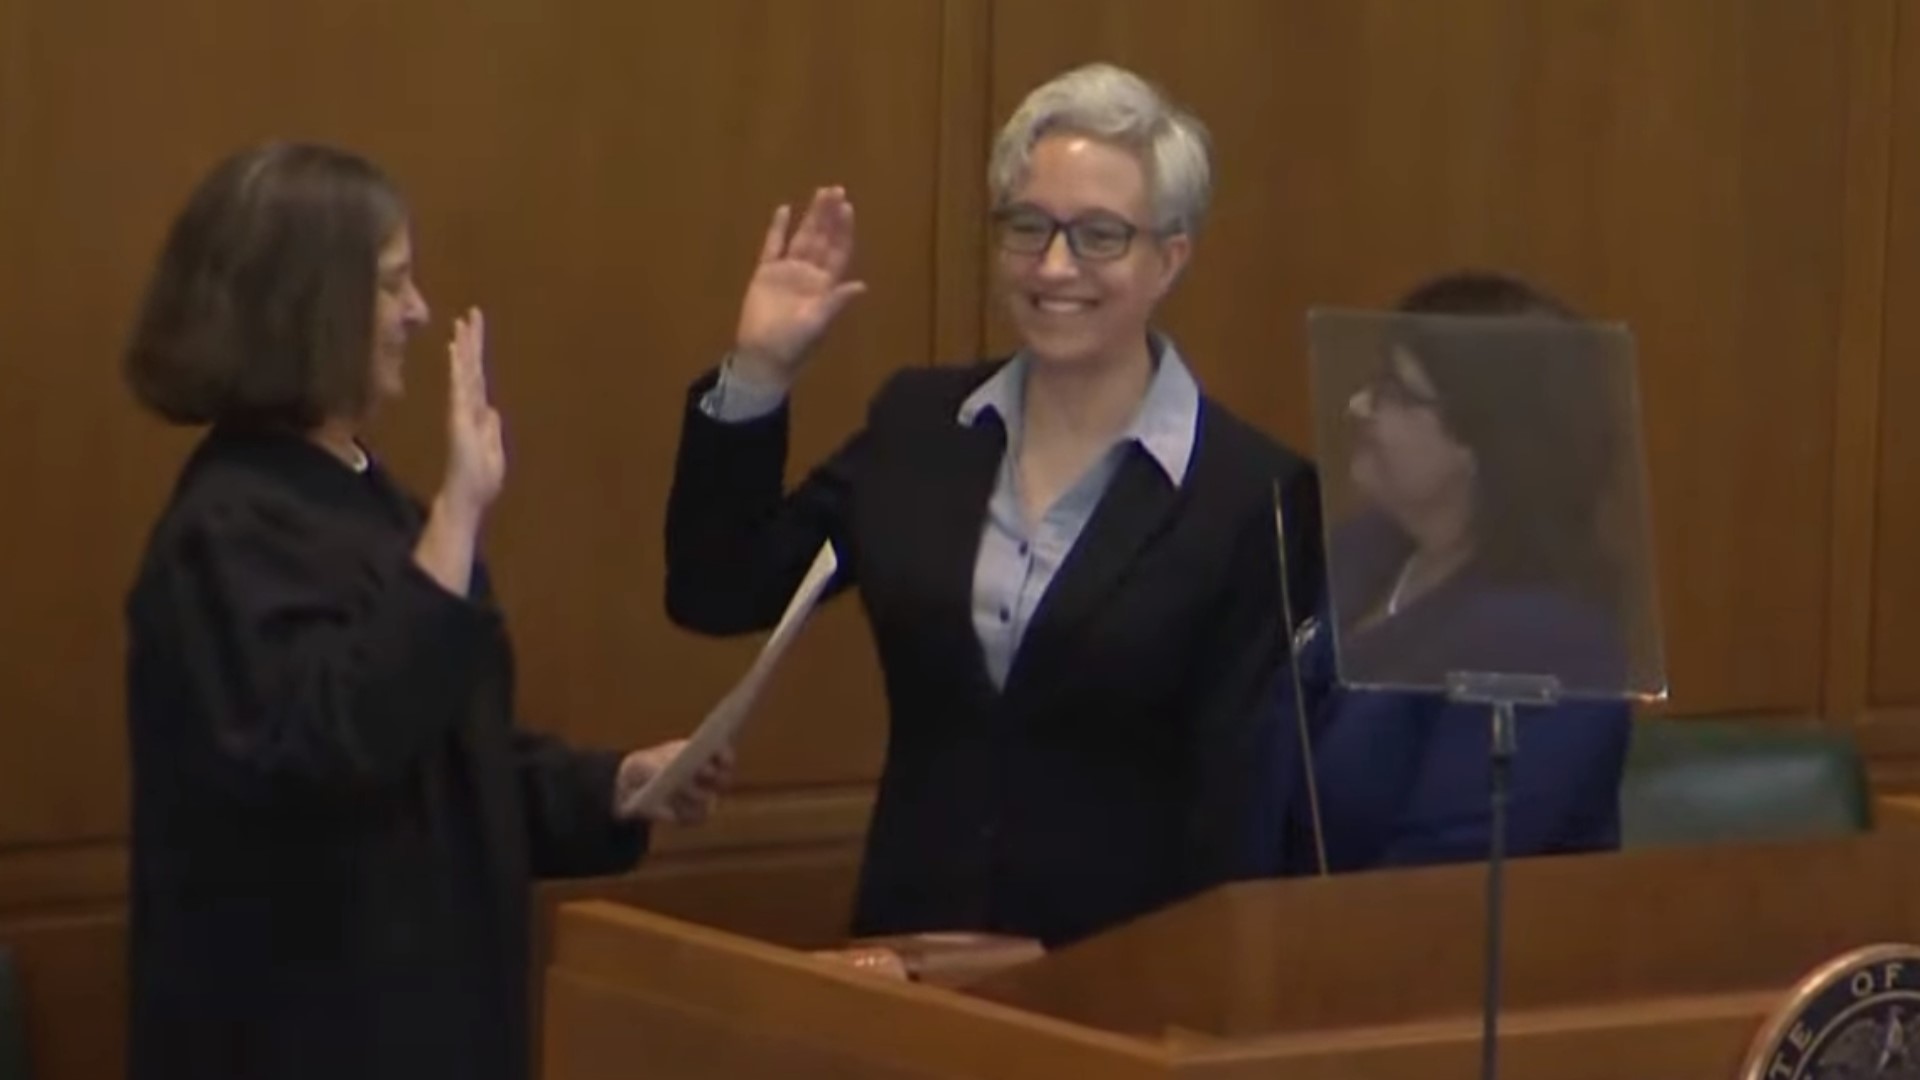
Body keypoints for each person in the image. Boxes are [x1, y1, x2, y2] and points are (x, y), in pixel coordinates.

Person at [663, 63, 1323, 947]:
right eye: (1028, 227)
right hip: (909, 958)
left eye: (1098, 235)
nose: (1054, 266)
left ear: (1169, 259)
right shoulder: (922, 428)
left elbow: (1239, 802)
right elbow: (719, 589)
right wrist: (760, 374)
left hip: (1122, 982)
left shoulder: (1252, 493)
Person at [120, 142, 732, 1080]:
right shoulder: (223, 531)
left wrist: (613, 786)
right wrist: (459, 515)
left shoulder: (368, 499)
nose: (417, 311)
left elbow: (446, 761)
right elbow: (332, 745)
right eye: (391, 284)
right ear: (308, 309)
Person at [1282, 270, 1634, 873]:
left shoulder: (1549, 639)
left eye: (1393, 392)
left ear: (1484, 440)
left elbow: (1445, 882)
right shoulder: (1363, 550)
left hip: (1404, 952)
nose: (1359, 406)